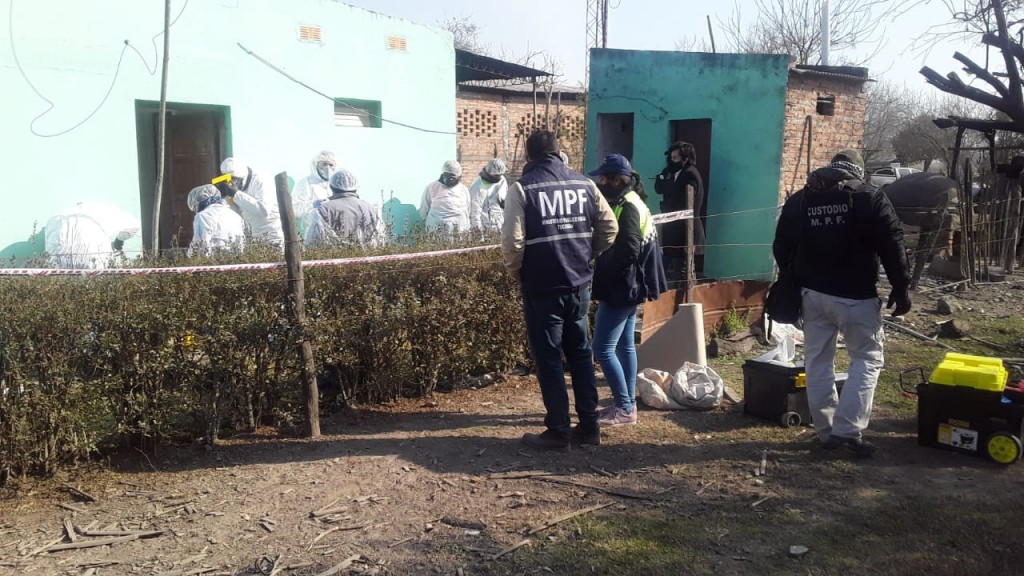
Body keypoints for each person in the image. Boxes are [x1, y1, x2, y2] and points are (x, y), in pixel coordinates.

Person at [773, 149, 911, 457]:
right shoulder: (868, 197)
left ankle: (826, 432)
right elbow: (892, 243)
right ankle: (847, 431)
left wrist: (794, 281)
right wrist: (901, 288)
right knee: (867, 358)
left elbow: (781, 246)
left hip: (812, 296)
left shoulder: (802, 199)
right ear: (857, 171)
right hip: (856, 297)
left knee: (817, 362)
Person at [501, 130, 618, 451]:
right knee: (580, 354)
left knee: (550, 358)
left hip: (542, 286)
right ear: (558, 151)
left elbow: (512, 243)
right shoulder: (585, 184)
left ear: (529, 156)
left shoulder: (522, 188)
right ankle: (590, 428)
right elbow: (610, 227)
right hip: (579, 284)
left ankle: (558, 431)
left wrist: (517, 273)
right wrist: (588, 253)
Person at [588, 154, 669, 427]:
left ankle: (624, 408)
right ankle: (627, 404)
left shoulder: (628, 206)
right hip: (632, 285)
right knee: (624, 346)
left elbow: (629, 248)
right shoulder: (633, 200)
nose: (599, 182)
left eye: (602, 178)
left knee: (602, 348)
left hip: (623, 287)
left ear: (615, 180)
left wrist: (603, 270)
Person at [654, 141, 705, 278]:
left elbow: (684, 203)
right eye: (671, 157)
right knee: (664, 267)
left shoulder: (690, 174)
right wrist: (662, 179)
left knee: (683, 272)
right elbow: (660, 190)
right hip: (671, 230)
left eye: (675, 158)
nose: (672, 161)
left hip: (684, 230)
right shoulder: (672, 173)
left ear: (685, 158)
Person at [45, 202, 140, 269]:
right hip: (94, 254)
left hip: (60, 256)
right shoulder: (100, 210)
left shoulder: (57, 216)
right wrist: (118, 241)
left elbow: (49, 243)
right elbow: (134, 225)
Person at [305, 169, 382, 248]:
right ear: (356, 187)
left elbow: (312, 243)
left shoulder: (323, 210)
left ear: (331, 187)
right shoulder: (370, 208)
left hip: (335, 255)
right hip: (368, 255)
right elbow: (380, 239)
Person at [217, 158, 284, 247]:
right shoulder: (238, 188)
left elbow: (264, 210)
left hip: (273, 236)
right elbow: (237, 213)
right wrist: (224, 199)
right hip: (253, 237)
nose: (231, 183)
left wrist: (236, 194)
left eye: (234, 180)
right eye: (228, 180)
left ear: (242, 177)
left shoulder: (261, 179)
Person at [186, 184, 246, 257]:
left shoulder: (203, 216)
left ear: (198, 203)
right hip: (236, 262)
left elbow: (200, 248)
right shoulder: (236, 217)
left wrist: (188, 257)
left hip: (214, 262)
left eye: (194, 207)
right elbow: (241, 245)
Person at [292, 151, 337, 237]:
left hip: (334, 234)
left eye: (331, 165)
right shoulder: (306, 183)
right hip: (312, 233)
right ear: (316, 164)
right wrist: (313, 204)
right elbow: (295, 209)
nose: (328, 168)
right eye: (324, 164)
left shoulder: (336, 184)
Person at [419, 160, 470, 234]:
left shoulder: (463, 190)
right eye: (447, 175)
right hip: (436, 230)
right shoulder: (432, 187)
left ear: (458, 176)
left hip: (459, 230)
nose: (450, 179)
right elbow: (424, 209)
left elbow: (467, 210)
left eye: (453, 177)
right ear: (443, 174)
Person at [469, 158, 509, 231]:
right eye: (496, 176)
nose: (499, 177)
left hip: (500, 224)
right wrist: (478, 231)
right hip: (485, 227)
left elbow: (505, 202)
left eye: (500, 175)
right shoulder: (477, 186)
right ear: (489, 173)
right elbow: (475, 212)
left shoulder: (502, 180)